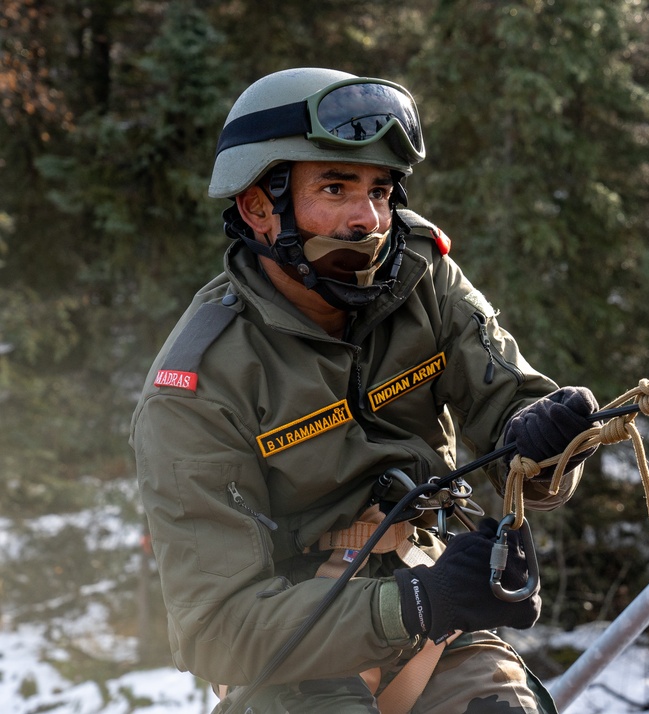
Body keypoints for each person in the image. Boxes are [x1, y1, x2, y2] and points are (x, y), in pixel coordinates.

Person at [129, 67, 599, 714]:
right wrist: (417, 605)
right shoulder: (198, 383)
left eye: (381, 190)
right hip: (294, 647)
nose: (369, 219)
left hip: (434, 604)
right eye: (335, 187)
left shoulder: (422, 277)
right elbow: (216, 629)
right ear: (256, 207)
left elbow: (514, 419)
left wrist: (547, 438)